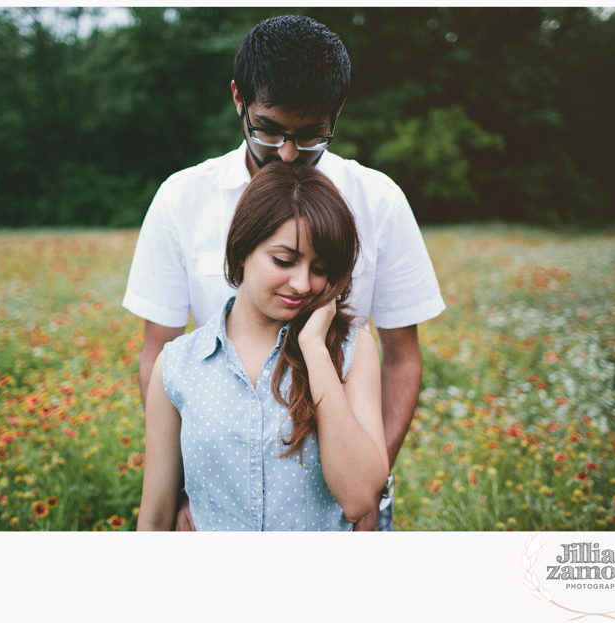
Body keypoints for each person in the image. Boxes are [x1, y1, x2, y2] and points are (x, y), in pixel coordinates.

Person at [124, 14, 445, 531]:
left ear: (336, 111)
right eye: (269, 130)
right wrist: (192, 489)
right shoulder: (182, 198)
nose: (290, 153)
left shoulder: (378, 200)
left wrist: (365, 492)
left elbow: (402, 359)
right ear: (238, 99)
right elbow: (158, 350)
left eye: (312, 133)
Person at [137, 162, 388, 531]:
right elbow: (156, 517)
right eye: (284, 260)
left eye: (319, 268)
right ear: (241, 250)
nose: (302, 284)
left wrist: (315, 348)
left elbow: (359, 497)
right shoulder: (177, 365)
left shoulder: (352, 351)